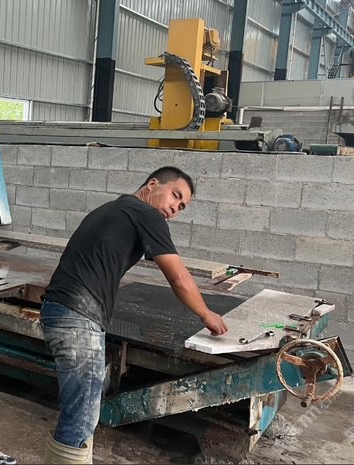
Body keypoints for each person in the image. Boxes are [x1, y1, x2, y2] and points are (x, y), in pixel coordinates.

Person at [40, 166, 229, 463]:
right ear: (152, 184)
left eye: (181, 206)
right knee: (82, 415)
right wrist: (206, 314)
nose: (175, 208)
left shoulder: (112, 208)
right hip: (78, 316)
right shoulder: (146, 214)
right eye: (175, 195)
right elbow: (178, 278)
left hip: (60, 310)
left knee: (81, 409)